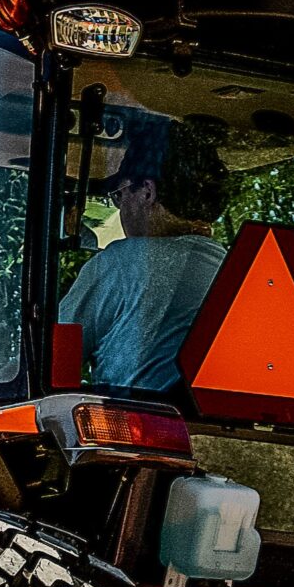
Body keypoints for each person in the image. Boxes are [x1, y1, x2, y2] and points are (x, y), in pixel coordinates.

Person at [60, 111, 229, 392]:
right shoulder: (235, 273)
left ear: (147, 191)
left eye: (119, 196)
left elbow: (43, 359)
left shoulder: (125, 263)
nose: (121, 210)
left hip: (140, 427)